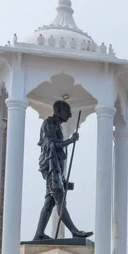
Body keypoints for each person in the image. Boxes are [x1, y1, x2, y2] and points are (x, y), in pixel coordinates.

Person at [33, 100, 93, 240]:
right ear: (59, 111)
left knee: (50, 201)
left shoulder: (57, 127)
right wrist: (70, 141)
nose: (70, 115)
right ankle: (74, 231)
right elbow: (51, 145)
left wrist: (62, 178)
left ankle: (39, 233)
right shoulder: (48, 124)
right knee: (59, 198)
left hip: (57, 168)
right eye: (67, 112)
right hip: (51, 166)